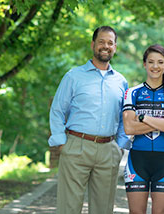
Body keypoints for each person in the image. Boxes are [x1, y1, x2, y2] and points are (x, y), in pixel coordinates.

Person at [48, 26, 130, 214]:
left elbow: (123, 117)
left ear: (115, 47)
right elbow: (57, 110)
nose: (105, 46)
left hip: (108, 150)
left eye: (110, 43)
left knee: (103, 209)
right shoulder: (73, 76)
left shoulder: (121, 81)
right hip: (76, 146)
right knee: (69, 207)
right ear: (93, 44)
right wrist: (62, 143)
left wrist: (120, 146)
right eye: (101, 41)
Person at [122, 44, 164, 214]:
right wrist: (162, 121)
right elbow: (129, 127)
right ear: (144, 64)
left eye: (160, 62)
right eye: (151, 62)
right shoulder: (132, 93)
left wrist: (143, 118)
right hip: (137, 161)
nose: (155, 66)